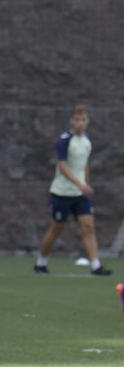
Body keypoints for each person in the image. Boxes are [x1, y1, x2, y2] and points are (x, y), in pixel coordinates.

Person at [34, 104, 112, 276]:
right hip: (62, 192)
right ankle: (41, 262)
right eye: (77, 119)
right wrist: (79, 183)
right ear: (71, 121)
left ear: (87, 121)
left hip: (80, 194)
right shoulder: (64, 140)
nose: (80, 123)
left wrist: (86, 184)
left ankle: (96, 266)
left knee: (88, 226)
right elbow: (62, 166)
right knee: (56, 229)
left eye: (83, 120)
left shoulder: (86, 142)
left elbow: (84, 165)